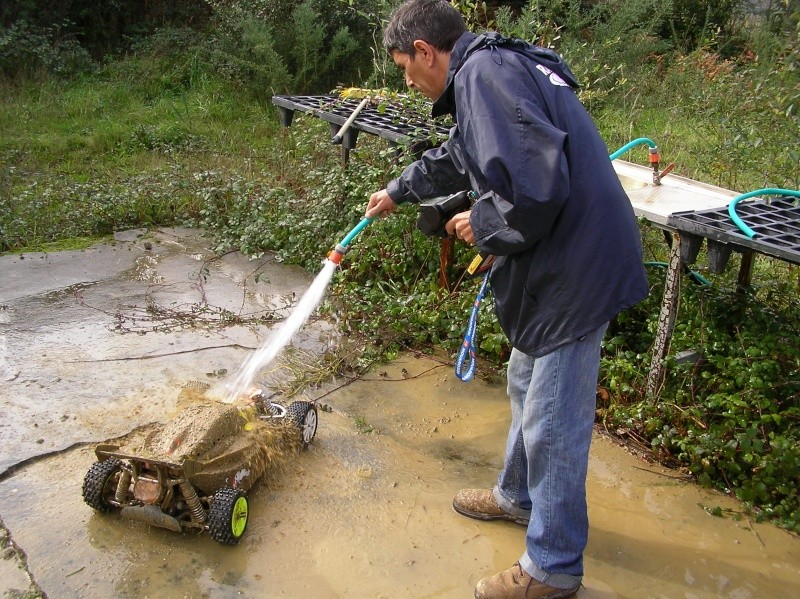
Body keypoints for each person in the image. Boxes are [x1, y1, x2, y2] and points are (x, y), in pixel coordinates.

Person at [365, 1, 649, 598]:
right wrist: (397, 190)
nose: (408, 82)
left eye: (404, 68)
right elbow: (464, 153)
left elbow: (536, 189)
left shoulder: (485, 76)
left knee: (554, 423)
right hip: (565, 255)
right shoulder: (487, 72)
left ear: (425, 51)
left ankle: (552, 567)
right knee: (525, 382)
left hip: (579, 268)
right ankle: (517, 496)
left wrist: (483, 223)